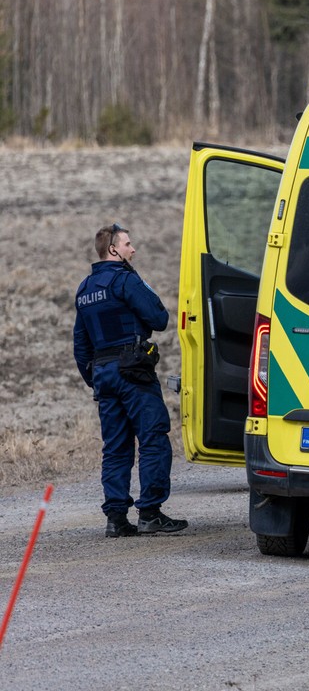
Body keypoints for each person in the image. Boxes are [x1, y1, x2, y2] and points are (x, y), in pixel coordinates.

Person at [73, 223, 188, 538]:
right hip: (133, 372)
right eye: (127, 244)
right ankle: (150, 513)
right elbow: (159, 318)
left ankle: (116, 519)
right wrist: (138, 279)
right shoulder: (124, 280)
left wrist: (95, 379)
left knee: (116, 447)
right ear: (113, 250)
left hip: (104, 375)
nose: (132, 249)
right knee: (152, 438)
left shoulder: (84, 289)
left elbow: (80, 345)